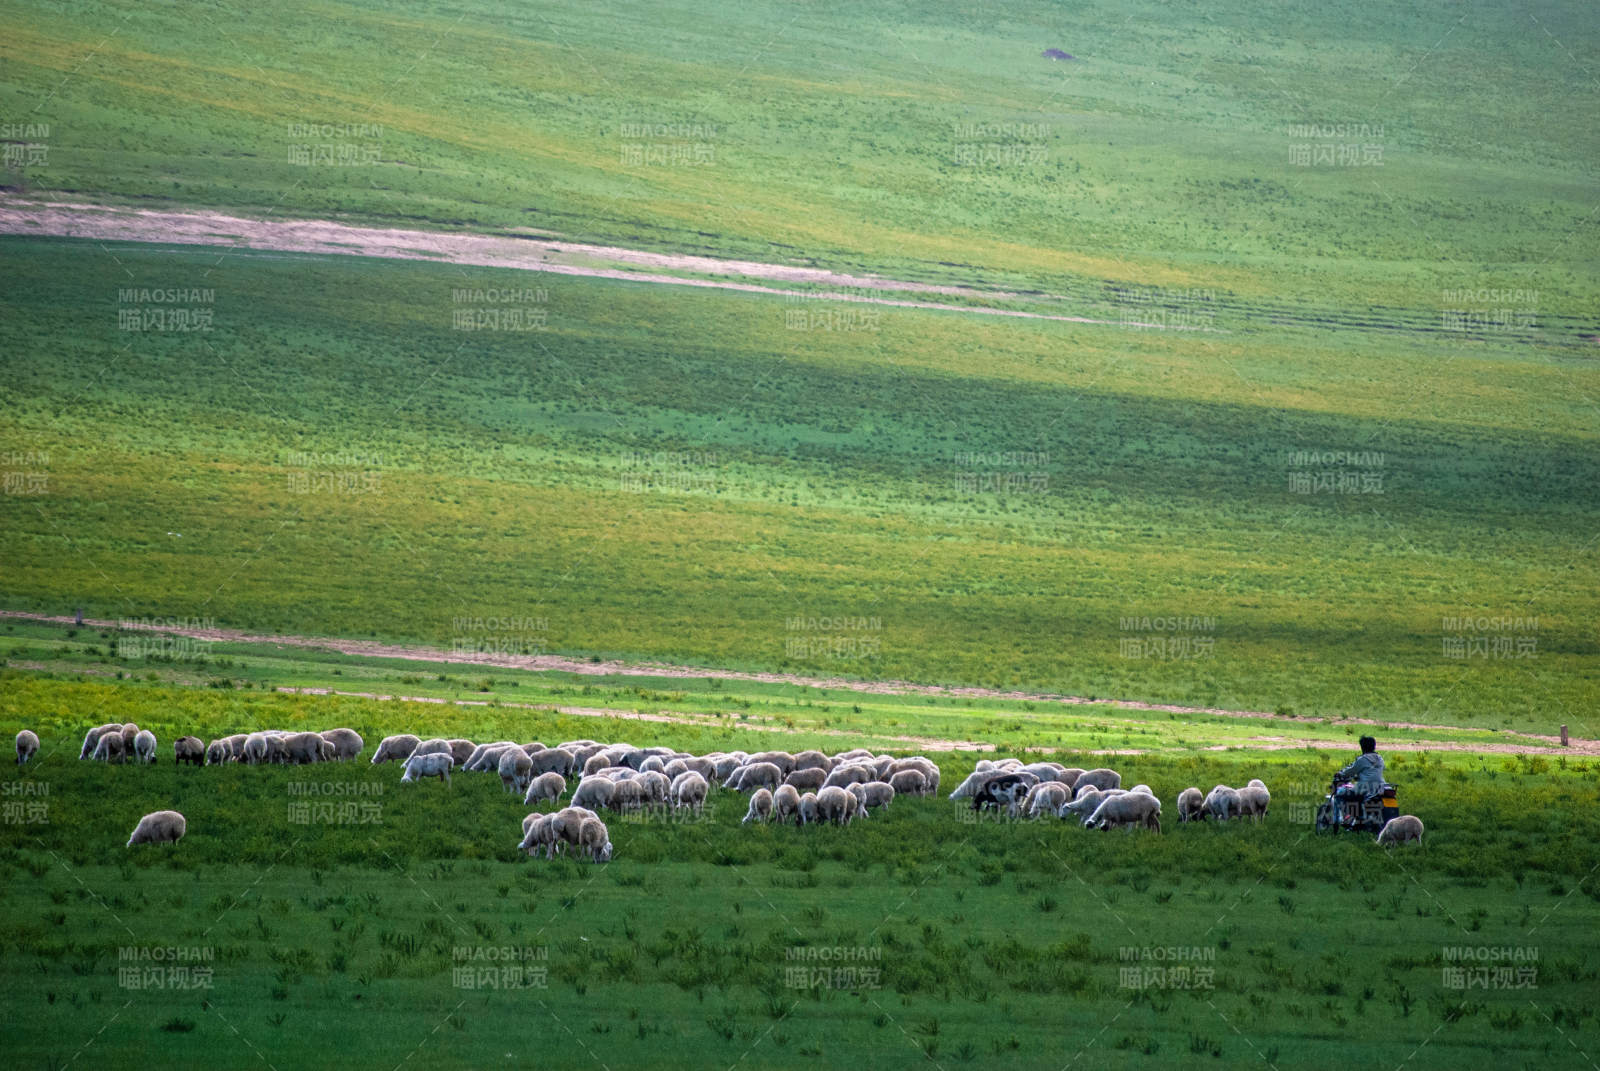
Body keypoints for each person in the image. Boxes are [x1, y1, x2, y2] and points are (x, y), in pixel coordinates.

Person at [1333, 736, 1385, 823]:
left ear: (1362, 747)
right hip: (1380, 788)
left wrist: (1340, 774)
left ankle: (1343, 818)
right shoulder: (1380, 758)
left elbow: (1350, 771)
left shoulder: (1362, 759)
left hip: (1364, 788)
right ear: (1374, 746)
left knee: (1339, 794)